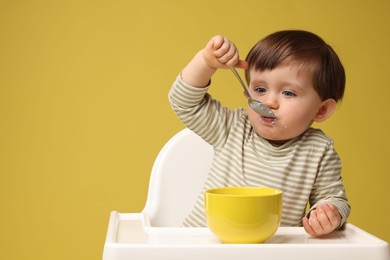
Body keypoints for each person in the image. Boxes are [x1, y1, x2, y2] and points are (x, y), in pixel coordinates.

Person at [168, 30, 350, 237]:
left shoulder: (319, 150)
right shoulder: (232, 127)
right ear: (247, 93)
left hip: (269, 252)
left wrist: (328, 213)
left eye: (288, 93)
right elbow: (183, 102)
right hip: (201, 244)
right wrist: (206, 62)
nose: (269, 102)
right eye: (261, 90)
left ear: (321, 109)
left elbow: (334, 198)